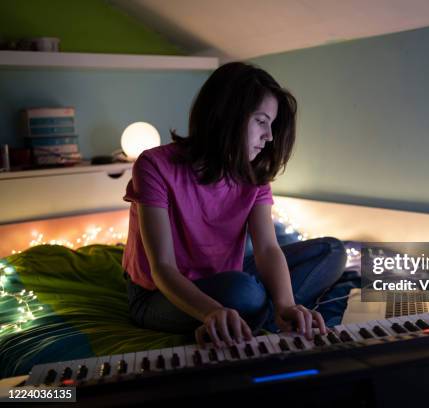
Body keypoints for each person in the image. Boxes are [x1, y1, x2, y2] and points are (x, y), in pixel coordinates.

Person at [122, 61, 347, 348]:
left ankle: (262, 314)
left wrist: (286, 305)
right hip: (158, 293)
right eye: (262, 121)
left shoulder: (252, 173)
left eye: (272, 125)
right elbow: (162, 267)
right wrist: (211, 312)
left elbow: (267, 248)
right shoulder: (155, 165)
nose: (269, 137)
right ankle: (248, 314)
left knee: (332, 251)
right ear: (228, 115)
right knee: (244, 292)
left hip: (225, 276)